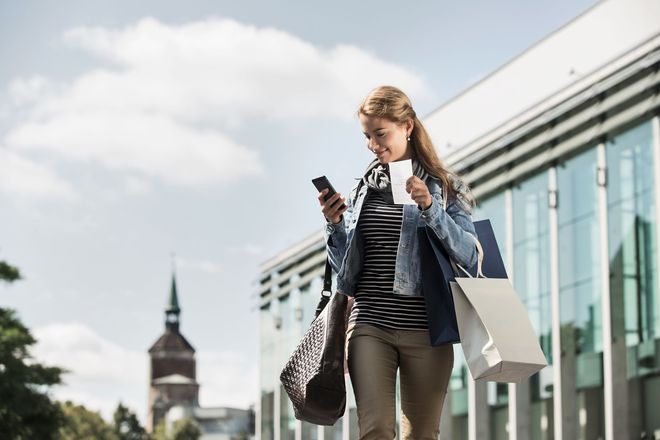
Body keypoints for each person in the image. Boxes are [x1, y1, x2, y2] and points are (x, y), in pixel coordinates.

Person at [317, 85, 479, 440]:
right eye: (367, 136)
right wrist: (334, 225)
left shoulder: (444, 186)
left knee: (421, 433)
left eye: (380, 134)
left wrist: (431, 209)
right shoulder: (364, 188)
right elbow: (347, 268)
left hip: (427, 330)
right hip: (370, 324)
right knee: (374, 429)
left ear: (407, 126)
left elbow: (470, 255)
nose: (374, 145)